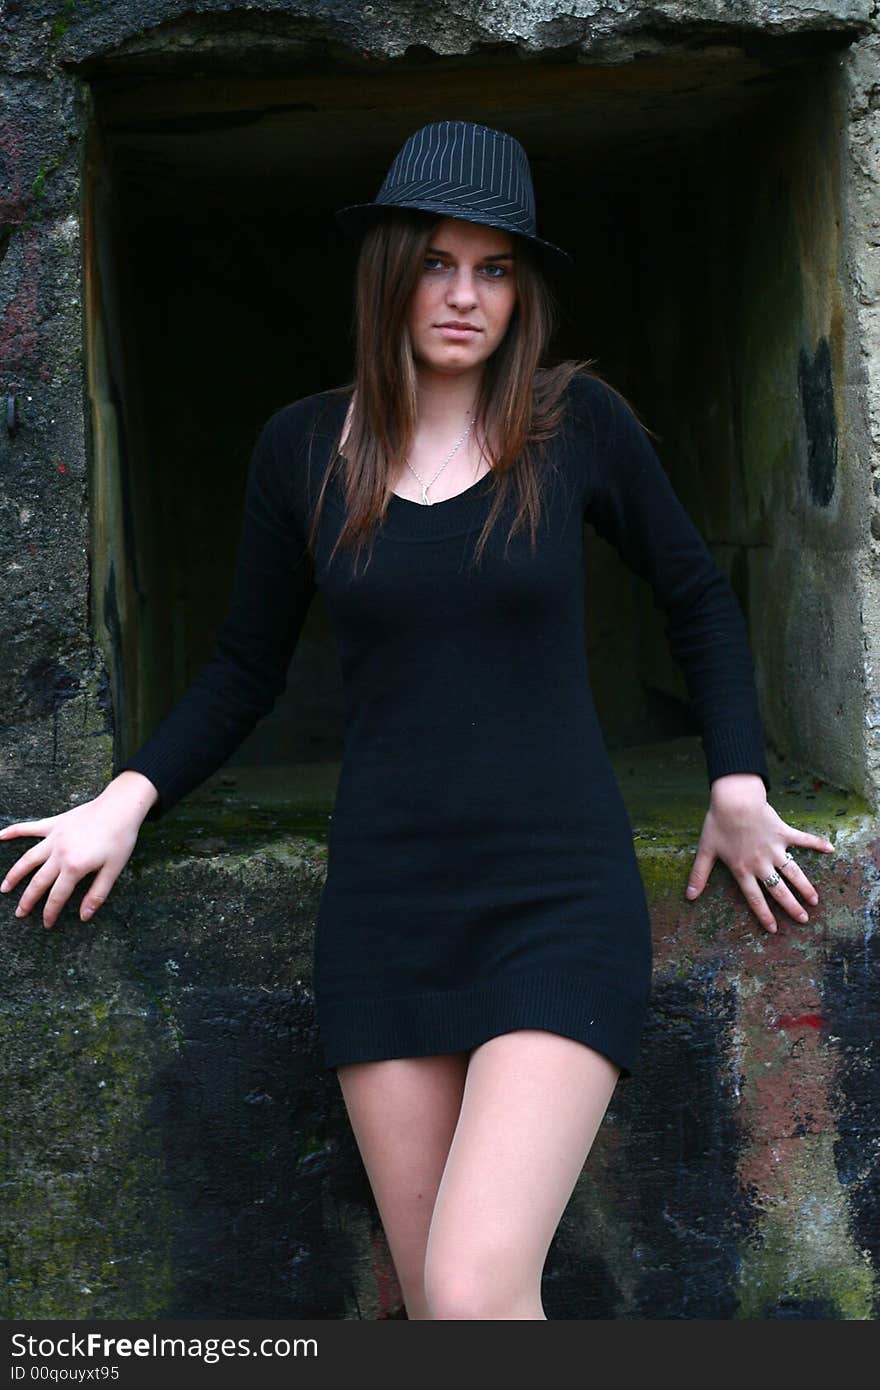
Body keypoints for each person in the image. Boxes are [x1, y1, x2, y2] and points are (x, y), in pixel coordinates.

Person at [0, 120, 835, 1320]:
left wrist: (737, 782)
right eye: (437, 262)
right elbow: (242, 665)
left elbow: (698, 595)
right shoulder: (301, 449)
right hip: (387, 909)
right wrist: (123, 804)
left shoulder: (574, 424)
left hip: (556, 897)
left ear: (523, 289)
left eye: (495, 268)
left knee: (472, 1282)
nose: (464, 294)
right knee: (433, 1309)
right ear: (387, 269)